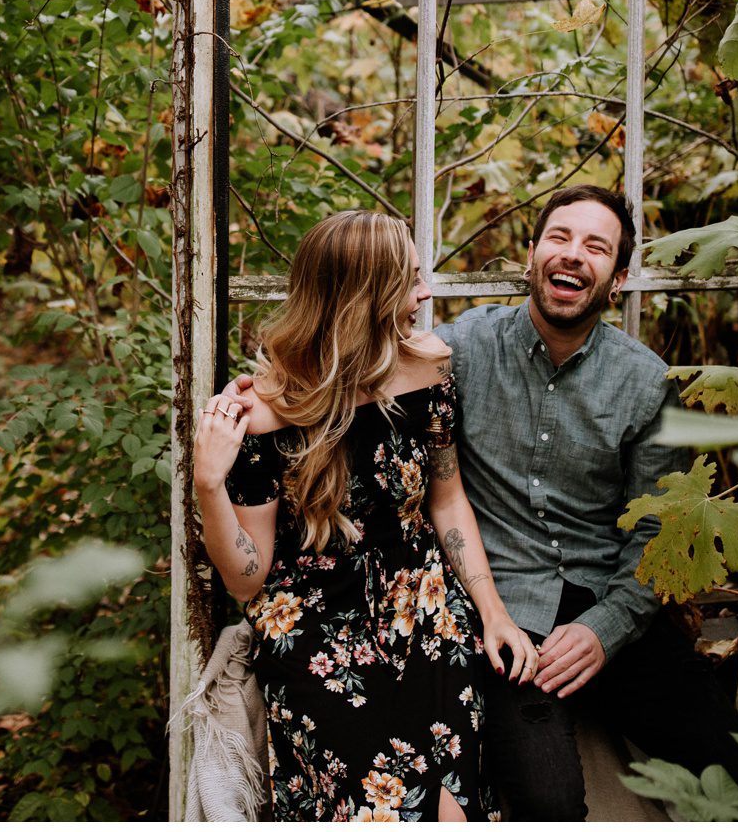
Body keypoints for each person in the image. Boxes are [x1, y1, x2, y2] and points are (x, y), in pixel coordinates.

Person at [431, 183, 738, 819]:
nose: (573, 255)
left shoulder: (644, 382)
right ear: (531, 256)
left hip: (605, 599)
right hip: (504, 612)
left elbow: (654, 537)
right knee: (549, 801)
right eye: (559, 238)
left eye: (596, 246)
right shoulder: (467, 347)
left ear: (616, 279)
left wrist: (605, 630)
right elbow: (365, 365)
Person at [192, 210, 539, 822]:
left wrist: (494, 614)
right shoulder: (264, 413)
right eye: (408, 280)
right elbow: (248, 580)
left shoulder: (430, 367)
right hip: (315, 633)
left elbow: (447, 497)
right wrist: (209, 484)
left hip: (424, 608)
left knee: (452, 809)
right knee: (377, 809)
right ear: (361, 298)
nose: (425, 293)